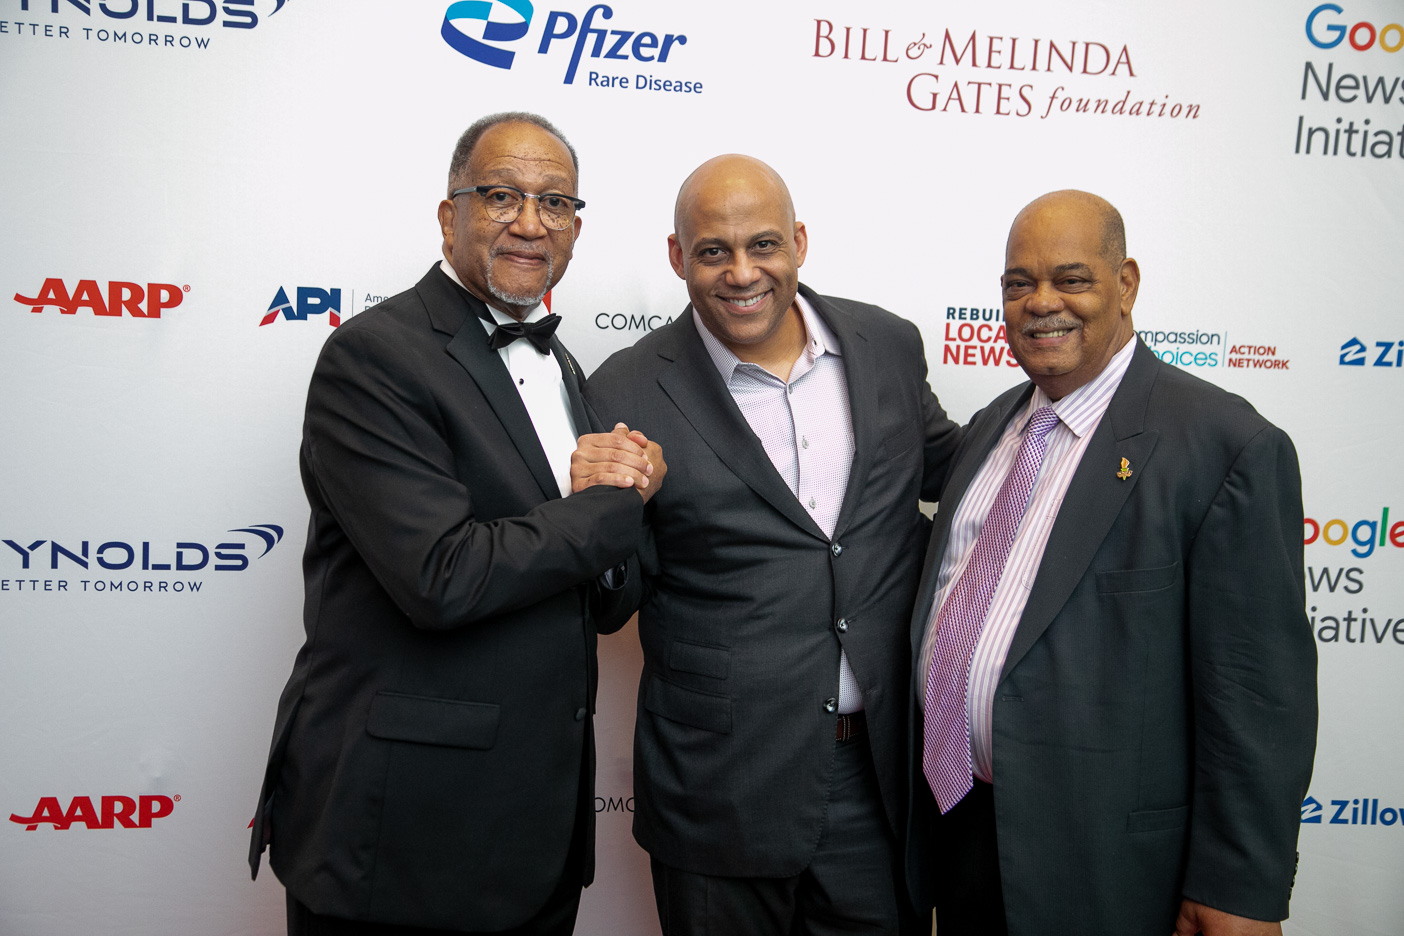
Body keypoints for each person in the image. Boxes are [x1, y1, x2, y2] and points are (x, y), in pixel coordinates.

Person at [247, 112, 666, 936]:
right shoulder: (375, 356)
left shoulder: (565, 367)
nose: (530, 222)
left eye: (555, 202)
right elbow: (441, 575)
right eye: (502, 195)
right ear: (450, 216)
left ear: (575, 229)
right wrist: (617, 504)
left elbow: (603, 601)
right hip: (401, 836)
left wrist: (620, 519)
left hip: (535, 839)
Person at [907, 190, 1317, 936]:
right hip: (961, 840)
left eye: (1071, 279)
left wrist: (1239, 888)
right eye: (1019, 283)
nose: (1041, 303)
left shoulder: (1226, 448)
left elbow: (1258, 695)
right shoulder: (994, 426)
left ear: (1125, 284)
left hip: (1109, 872)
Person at [586, 154, 960, 935]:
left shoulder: (887, 345)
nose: (741, 272)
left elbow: (956, 477)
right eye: (712, 251)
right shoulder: (625, 387)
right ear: (677, 257)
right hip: (719, 788)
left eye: (763, 244)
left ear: (799, 242)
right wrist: (607, 510)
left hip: (877, 782)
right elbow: (609, 600)